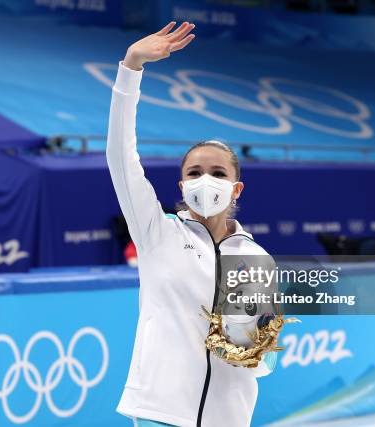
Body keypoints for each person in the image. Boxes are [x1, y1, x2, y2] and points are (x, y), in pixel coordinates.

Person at [106, 21, 278, 427]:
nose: (207, 180)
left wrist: (250, 340)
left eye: (218, 174)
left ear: (236, 189)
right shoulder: (157, 233)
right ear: (182, 184)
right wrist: (131, 67)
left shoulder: (257, 258)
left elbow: (262, 355)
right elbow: (120, 156)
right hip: (159, 413)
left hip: (230, 417)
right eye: (196, 171)